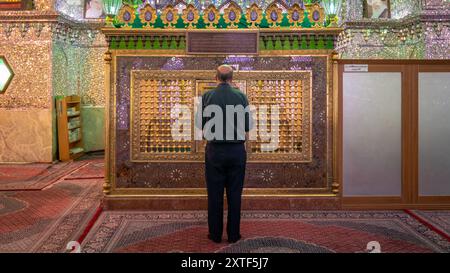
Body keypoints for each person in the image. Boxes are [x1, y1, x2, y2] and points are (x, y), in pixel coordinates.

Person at [196, 65, 253, 244]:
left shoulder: (207, 96)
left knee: (215, 194)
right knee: (235, 194)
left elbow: (199, 123)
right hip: (236, 152)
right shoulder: (241, 97)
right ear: (231, 78)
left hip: (215, 151)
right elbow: (248, 126)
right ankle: (234, 235)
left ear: (216, 78)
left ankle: (215, 235)